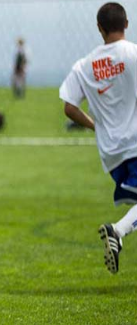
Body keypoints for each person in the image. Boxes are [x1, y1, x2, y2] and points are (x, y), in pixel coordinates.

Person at [59, 2, 136, 274]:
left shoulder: (84, 66)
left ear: (99, 28)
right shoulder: (133, 54)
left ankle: (120, 230)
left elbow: (69, 106)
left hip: (112, 155)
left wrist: (96, 126)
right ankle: (118, 230)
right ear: (126, 23)